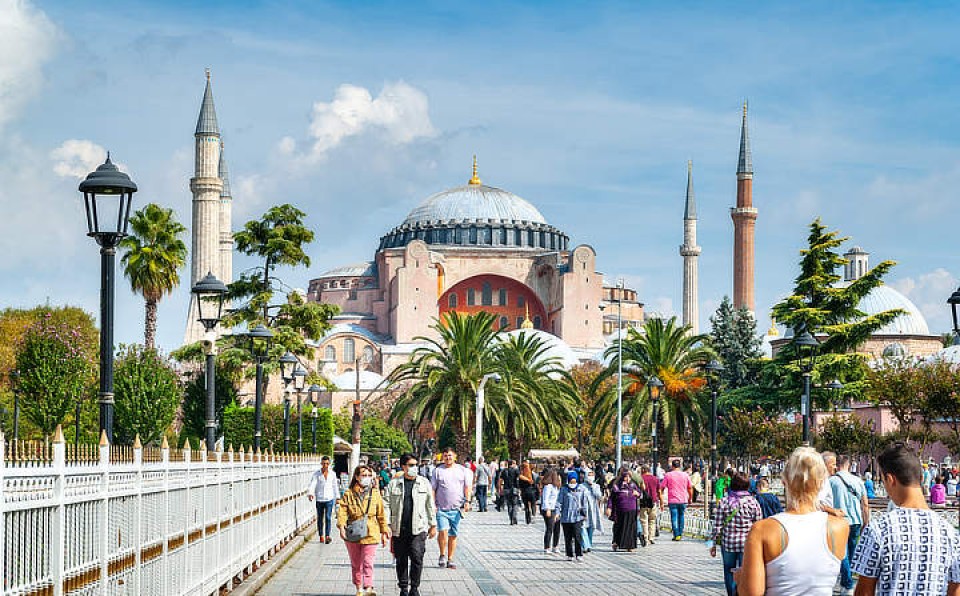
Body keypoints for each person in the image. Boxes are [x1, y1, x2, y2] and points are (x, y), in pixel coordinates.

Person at [734, 447, 848, 596]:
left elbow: (752, 593)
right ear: (822, 482)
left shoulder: (763, 529)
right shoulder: (839, 527)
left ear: (784, 481)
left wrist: (741, 578)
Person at [851, 442, 960, 595]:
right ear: (921, 477)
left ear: (890, 479)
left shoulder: (879, 529)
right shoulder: (950, 533)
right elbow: (955, 590)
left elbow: (864, 592)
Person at [383, 453, 437, 596]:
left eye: (415, 465)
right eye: (411, 465)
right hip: (399, 528)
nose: (414, 468)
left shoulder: (424, 482)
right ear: (403, 467)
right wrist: (387, 524)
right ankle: (403, 588)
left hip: (418, 528)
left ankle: (414, 587)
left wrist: (433, 524)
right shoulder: (393, 484)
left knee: (417, 557)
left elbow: (430, 504)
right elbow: (386, 504)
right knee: (401, 559)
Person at [337, 465, 390, 596]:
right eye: (363, 475)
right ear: (356, 477)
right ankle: (359, 588)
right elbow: (342, 511)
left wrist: (384, 531)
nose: (366, 478)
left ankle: (368, 587)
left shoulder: (375, 493)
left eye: (368, 475)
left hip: (371, 531)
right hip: (353, 532)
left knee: (368, 561)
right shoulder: (349, 494)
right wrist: (341, 526)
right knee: (356, 562)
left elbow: (381, 514)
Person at [710, 472, 763, 596]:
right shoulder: (753, 502)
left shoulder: (724, 501)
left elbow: (716, 526)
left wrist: (712, 545)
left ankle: (731, 594)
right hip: (747, 543)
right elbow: (758, 525)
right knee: (745, 571)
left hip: (729, 543)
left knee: (729, 571)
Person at [830, 454, 870, 595]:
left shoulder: (832, 481)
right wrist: (866, 520)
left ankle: (847, 584)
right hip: (856, 520)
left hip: (839, 521)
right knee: (852, 552)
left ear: (837, 465)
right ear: (848, 465)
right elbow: (865, 503)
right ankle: (848, 581)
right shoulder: (858, 480)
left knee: (843, 553)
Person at [430, 448, 471, 570]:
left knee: (453, 534)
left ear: (455, 456)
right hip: (441, 508)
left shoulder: (462, 471)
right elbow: (433, 488)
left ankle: (450, 558)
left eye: (450, 455)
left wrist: (467, 502)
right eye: (446, 456)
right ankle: (442, 554)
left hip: (456, 509)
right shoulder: (437, 471)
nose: (448, 458)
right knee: (443, 530)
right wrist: (433, 504)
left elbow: (467, 487)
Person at [556, 471, 589, 562]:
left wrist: (585, 513)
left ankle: (579, 554)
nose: (572, 484)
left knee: (577, 536)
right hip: (566, 517)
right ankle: (569, 554)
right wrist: (557, 513)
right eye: (571, 482)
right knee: (568, 537)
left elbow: (584, 502)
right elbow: (559, 502)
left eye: (574, 482)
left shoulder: (582, 489)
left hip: (577, 516)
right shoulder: (564, 489)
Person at [307, 455, 340, 544]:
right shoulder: (317, 474)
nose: (325, 465)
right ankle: (321, 535)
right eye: (324, 463)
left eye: (327, 464)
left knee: (328, 517)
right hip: (320, 499)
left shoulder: (332, 474)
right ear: (321, 463)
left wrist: (337, 497)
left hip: (329, 498)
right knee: (320, 518)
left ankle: (327, 535)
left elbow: (335, 486)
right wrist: (310, 493)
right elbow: (313, 484)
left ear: (329, 464)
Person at [608, 466, 640, 551]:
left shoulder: (633, 485)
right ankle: (616, 542)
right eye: (626, 477)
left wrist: (638, 494)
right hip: (620, 510)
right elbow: (611, 498)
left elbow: (640, 493)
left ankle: (630, 546)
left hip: (631, 509)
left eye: (629, 477)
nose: (627, 479)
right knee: (619, 527)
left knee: (630, 528)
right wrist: (609, 508)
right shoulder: (616, 486)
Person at [662, 459, 693, 541]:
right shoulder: (685, 475)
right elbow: (690, 488)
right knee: (681, 516)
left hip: (672, 500)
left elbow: (662, 487)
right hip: (683, 499)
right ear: (680, 466)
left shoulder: (668, 475)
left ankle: (676, 534)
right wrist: (690, 498)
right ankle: (680, 533)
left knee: (674, 517)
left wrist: (661, 497)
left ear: (672, 466)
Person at [581, 469, 603, 552]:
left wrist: (593, 487)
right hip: (584, 509)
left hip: (593, 509)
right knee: (583, 527)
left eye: (592, 475)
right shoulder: (582, 486)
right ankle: (585, 545)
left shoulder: (596, 486)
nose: (590, 477)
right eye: (589, 475)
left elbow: (599, 496)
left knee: (591, 527)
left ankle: (589, 544)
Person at [540, 468, 562, 553]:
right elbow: (545, 498)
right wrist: (547, 509)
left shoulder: (556, 487)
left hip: (556, 509)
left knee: (557, 528)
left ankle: (555, 546)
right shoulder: (548, 487)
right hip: (549, 509)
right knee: (550, 528)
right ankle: (547, 546)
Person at [639, 465, 660, 546]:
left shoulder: (641, 478)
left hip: (643, 502)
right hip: (653, 501)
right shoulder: (655, 478)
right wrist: (661, 501)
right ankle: (651, 537)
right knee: (652, 520)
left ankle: (645, 537)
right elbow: (659, 491)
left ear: (643, 470)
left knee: (644, 520)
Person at [498, 459, 520, 525]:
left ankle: (511, 518)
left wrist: (500, 488)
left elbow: (500, 480)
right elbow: (518, 479)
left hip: (506, 489)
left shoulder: (504, 471)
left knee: (509, 504)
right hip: (514, 489)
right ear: (512, 464)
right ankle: (514, 516)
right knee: (515, 504)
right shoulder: (516, 471)